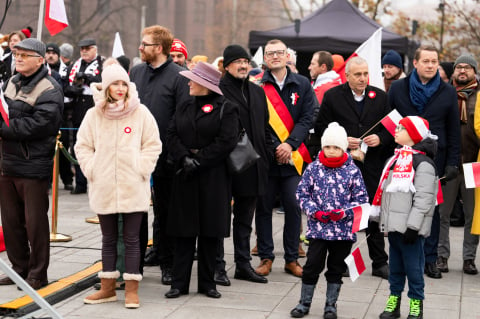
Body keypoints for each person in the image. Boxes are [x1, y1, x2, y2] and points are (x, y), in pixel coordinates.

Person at [76, 64, 161, 308]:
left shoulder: (140, 112)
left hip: (133, 185)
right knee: (108, 238)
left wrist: (141, 168)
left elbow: (152, 144)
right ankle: (108, 288)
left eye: (124, 83)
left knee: (133, 238)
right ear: (107, 87)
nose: (120, 88)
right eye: (115, 83)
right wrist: (92, 169)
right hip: (103, 185)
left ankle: (132, 289)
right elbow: (82, 145)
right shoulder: (94, 114)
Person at [164, 61, 238, 299]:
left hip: (212, 176)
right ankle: (179, 283)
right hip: (185, 174)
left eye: (192, 80)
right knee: (183, 231)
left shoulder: (226, 108)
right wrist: (184, 157)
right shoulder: (184, 105)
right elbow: (171, 133)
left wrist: (200, 160)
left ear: (204, 84)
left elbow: (226, 141)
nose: (188, 83)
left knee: (209, 232)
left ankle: (208, 283)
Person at [316, 56, 393, 279]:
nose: (362, 78)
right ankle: (338, 264)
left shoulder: (379, 97)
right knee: (343, 213)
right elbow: (321, 127)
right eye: (358, 74)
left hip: (371, 166)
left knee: (371, 213)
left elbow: (391, 128)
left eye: (365, 74)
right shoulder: (333, 96)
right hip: (342, 166)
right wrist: (341, 140)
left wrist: (380, 138)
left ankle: (379, 262)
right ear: (347, 75)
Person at [388, 45, 461, 279]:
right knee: (401, 205)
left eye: (434, 61)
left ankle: (429, 259)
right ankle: (399, 256)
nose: (431, 65)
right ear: (416, 63)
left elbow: (453, 130)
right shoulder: (398, 88)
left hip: (434, 160)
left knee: (431, 208)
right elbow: (389, 124)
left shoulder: (448, 92)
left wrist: (452, 163)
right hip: (403, 158)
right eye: (426, 61)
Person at [129, 25, 191, 284]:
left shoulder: (179, 76)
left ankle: (168, 263)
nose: (141, 48)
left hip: (166, 157)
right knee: (136, 211)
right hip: (136, 155)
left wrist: (173, 154)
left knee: (166, 212)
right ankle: (135, 263)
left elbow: (181, 119)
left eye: (145, 44)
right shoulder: (136, 72)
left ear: (160, 48)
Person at [0, 38, 63, 290]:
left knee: (34, 223)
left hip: (32, 165)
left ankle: (38, 273)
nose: (18, 59)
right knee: (11, 221)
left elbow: (40, 125)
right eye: (16, 54)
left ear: (40, 60)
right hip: (7, 162)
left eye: (24, 55)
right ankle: (19, 268)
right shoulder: (11, 82)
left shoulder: (50, 89)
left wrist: (4, 129)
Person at [291, 122, 368, 319]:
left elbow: (361, 200)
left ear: (343, 148)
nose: (331, 151)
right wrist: (314, 212)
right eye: (327, 147)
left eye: (336, 147)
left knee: (335, 268)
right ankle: (304, 302)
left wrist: (344, 213)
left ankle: (331, 304)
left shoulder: (352, 171)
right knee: (312, 265)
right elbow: (302, 193)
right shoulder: (314, 168)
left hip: (342, 231)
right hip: (318, 229)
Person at [254, 39, 315, 278]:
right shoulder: (257, 86)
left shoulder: (303, 84)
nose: (276, 57)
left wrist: (289, 144)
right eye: (271, 54)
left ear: (287, 55)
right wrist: (274, 148)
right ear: (265, 59)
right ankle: (266, 257)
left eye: (279, 52)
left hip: (294, 158)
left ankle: (292, 258)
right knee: (264, 208)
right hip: (267, 159)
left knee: (293, 206)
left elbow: (308, 118)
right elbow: (256, 122)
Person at [214, 44, 274, 286]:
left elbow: (265, 127)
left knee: (244, 221)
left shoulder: (258, 92)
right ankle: (217, 266)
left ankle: (242, 264)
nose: (243, 65)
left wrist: (267, 154)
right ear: (227, 65)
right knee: (219, 219)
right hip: (223, 167)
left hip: (253, 165)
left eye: (246, 61)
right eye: (238, 61)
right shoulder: (217, 90)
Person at [377, 116, 438, 319]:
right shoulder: (394, 160)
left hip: (411, 230)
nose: (396, 131)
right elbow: (387, 194)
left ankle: (416, 303)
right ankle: (394, 301)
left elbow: (424, 199)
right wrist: (382, 220)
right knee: (395, 268)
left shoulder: (423, 164)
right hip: (394, 228)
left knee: (413, 269)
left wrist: (413, 226)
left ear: (413, 135)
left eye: (401, 128)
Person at [437, 54, 479, 275]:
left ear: (474, 71)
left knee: (473, 215)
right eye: (459, 67)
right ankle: (442, 256)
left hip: (475, 165)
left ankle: (469, 258)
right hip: (450, 163)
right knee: (443, 212)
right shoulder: (444, 94)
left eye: (467, 67)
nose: (462, 71)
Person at [64, 38, 104, 194]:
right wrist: (71, 90)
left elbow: (105, 81)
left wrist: (88, 78)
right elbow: (65, 84)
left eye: (87, 48)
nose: (84, 51)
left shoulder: (102, 64)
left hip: (95, 108)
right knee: (79, 148)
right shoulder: (74, 65)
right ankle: (80, 183)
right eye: (82, 49)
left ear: (95, 49)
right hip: (77, 110)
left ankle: (97, 183)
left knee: (97, 148)